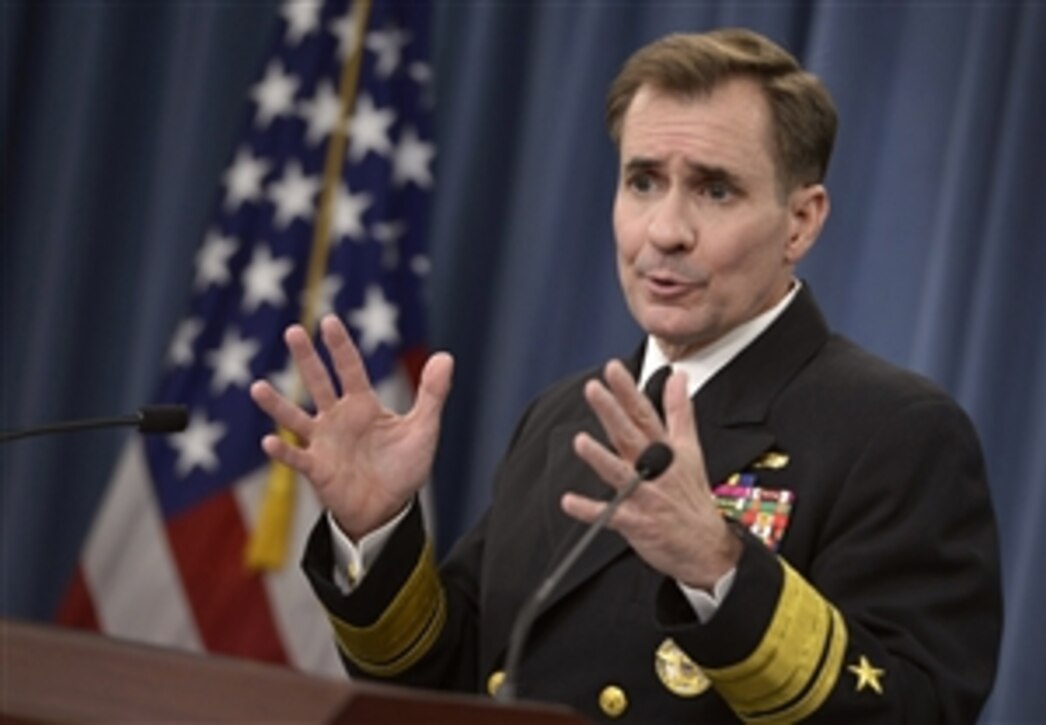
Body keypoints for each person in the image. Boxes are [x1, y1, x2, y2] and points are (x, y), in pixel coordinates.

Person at [250, 27, 1002, 723]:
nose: (664, 231)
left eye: (715, 190)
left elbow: (919, 708)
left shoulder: (895, 430)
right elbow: (447, 677)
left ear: (801, 222)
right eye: (643, 181)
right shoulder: (562, 417)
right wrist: (376, 532)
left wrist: (722, 573)